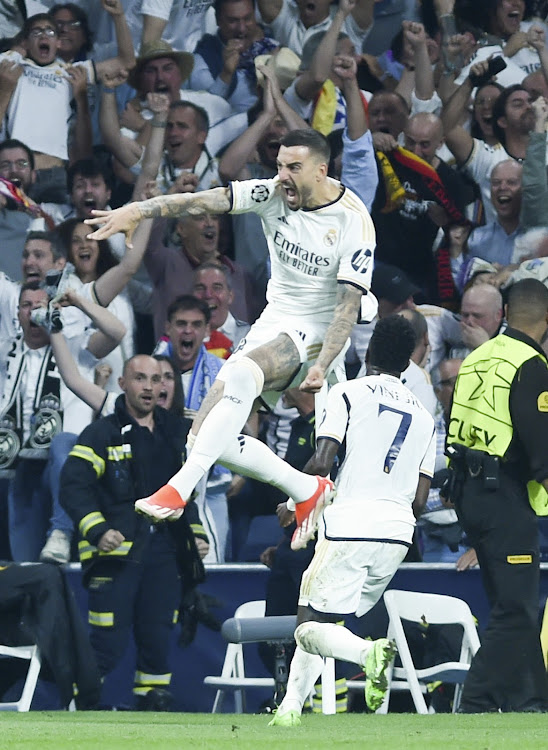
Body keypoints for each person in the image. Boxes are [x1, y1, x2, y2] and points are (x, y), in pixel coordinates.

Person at [86, 128, 376, 538]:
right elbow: (206, 200)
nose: (283, 176)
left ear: (321, 170)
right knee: (202, 439)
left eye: (294, 168)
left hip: (320, 326)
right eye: (279, 166)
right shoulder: (273, 193)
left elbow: (347, 306)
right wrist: (141, 210)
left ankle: (178, 488)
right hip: (275, 319)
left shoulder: (353, 221)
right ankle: (305, 488)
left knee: (243, 374)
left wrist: (324, 364)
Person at [269, 314, 436, 725]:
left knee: (308, 626)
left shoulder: (347, 394)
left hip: (350, 527)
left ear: (370, 349)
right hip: (397, 537)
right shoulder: (426, 417)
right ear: (408, 361)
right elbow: (419, 500)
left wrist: (293, 504)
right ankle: (289, 710)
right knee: (320, 615)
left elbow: (322, 462)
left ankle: (368, 653)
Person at [59, 354, 209, 709]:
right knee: (107, 642)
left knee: (157, 637)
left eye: (156, 379)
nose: (149, 387)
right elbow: (72, 487)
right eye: (140, 378)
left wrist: (196, 535)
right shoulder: (100, 433)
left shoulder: (175, 435)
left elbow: (184, 493)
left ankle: (153, 709)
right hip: (114, 556)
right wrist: (97, 531)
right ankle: (81, 710)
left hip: (165, 554)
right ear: (122, 385)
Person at [445, 277, 548, 712]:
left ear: (505, 313)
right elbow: (541, 447)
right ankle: (476, 701)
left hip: (471, 492)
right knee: (518, 609)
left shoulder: (479, 358)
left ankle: (530, 701)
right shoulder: (531, 364)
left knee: (511, 603)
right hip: (504, 496)